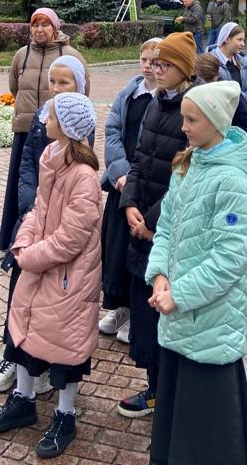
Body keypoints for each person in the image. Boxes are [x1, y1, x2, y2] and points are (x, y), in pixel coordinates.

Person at [0, 92, 102, 460]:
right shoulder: (52, 157)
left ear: (64, 127)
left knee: (66, 343)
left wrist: (31, 257)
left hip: (68, 276)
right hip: (40, 264)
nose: (43, 119)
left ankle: (66, 414)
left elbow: (71, 238)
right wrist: (23, 240)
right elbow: (39, 208)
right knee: (24, 330)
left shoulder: (83, 176)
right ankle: (23, 399)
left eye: (50, 116)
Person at [146, 81, 247, 465]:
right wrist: (159, 274)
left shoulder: (232, 181)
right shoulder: (188, 165)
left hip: (207, 319)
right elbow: (166, 227)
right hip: (180, 317)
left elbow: (232, 255)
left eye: (192, 120)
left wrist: (181, 293)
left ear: (215, 122)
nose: (184, 127)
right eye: (184, 118)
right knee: (180, 419)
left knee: (207, 433)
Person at [0, 54, 89, 393]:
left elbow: (75, 197)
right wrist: (31, 203)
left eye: (65, 83)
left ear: (79, 86)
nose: (56, 89)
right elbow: (28, 163)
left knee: (53, 307)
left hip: (56, 237)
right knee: (21, 294)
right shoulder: (41, 120)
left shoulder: (77, 125)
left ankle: (44, 367)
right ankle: (14, 357)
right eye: (53, 83)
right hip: (35, 218)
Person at [117, 31, 197, 417]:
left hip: (166, 230)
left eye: (164, 64)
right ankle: (154, 387)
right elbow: (139, 159)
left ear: (181, 69)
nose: (156, 68)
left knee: (166, 315)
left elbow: (186, 177)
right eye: (155, 62)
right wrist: (129, 202)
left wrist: (151, 223)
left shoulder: (192, 111)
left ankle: (169, 392)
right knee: (146, 316)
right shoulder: (154, 104)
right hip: (141, 226)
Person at [0, 8, 88, 252]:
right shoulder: (21, 55)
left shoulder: (71, 55)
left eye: (45, 25)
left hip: (58, 131)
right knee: (25, 181)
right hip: (26, 128)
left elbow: (82, 92)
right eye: (35, 25)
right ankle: (17, 234)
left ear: (55, 28)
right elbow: (15, 86)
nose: (39, 30)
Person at [98, 37, 162, 344]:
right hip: (121, 184)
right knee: (115, 249)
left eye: (155, 60)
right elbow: (113, 132)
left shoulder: (163, 99)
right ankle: (119, 306)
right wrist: (120, 174)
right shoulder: (129, 93)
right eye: (145, 60)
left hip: (145, 188)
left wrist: (135, 179)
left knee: (139, 253)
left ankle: (138, 313)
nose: (149, 66)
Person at [209, 22, 247, 106]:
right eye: (239, 39)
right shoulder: (210, 63)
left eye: (243, 40)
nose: (243, 44)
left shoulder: (244, 61)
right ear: (227, 39)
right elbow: (225, 93)